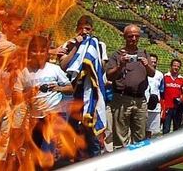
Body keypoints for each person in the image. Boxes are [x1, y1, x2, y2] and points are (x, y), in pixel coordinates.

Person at [12, 35, 73, 166]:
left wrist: (58, 88)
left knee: (47, 149)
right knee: (35, 151)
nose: (38, 54)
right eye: (34, 50)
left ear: (47, 52)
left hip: (55, 114)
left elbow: (70, 88)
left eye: (42, 50)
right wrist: (30, 92)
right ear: (29, 52)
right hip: (36, 117)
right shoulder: (24, 73)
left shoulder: (54, 69)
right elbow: (16, 97)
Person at [60, 15, 108, 159]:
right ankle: (67, 162)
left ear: (92, 29)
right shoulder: (68, 44)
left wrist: (90, 57)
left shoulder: (98, 45)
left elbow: (102, 68)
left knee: (90, 130)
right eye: (81, 28)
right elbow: (63, 65)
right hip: (72, 92)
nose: (84, 31)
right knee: (70, 129)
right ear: (76, 29)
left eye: (87, 28)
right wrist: (76, 46)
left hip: (90, 92)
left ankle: (94, 162)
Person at [105, 24, 154, 148]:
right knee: (121, 137)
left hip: (140, 100)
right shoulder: (117, 54)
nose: (133, 39)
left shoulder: (143, 53)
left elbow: (152, 73)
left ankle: (138, 165)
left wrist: (147, 64)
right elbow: (109, 76)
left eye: (136, 36)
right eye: (130, 36)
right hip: (121, 99)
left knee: (140, 137)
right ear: (125, 37)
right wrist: (120, 65)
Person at [161, 58, 183, 134]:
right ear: (171, 66)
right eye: (174, 65)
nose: (176, 68)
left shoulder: (182, 79)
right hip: (167, 107)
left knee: (177, 129)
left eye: (178, 66)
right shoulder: (165, 77)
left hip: (177, 108)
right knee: (166, 129)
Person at [145, 54, 163, 139]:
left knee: (151, 130)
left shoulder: (160, 75)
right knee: (141, 129)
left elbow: (162, 90)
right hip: (143, 103)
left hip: (155, 106)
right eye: (151, 62)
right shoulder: (143, 72)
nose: (153, 63)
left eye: (154, 62)